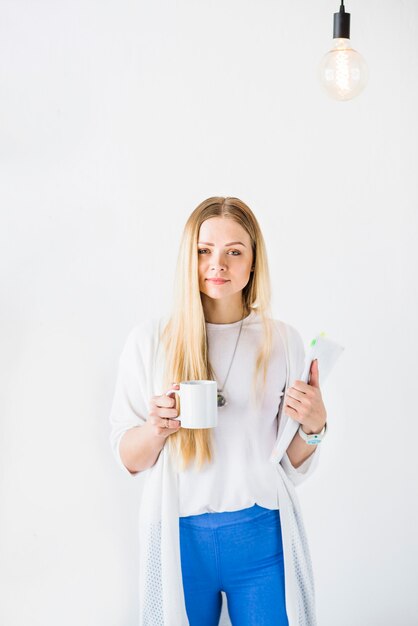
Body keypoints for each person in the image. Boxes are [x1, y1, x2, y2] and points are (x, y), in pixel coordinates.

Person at [109, 196, 328, 626]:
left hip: (262, 537)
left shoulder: (281, 340)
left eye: (234, 252)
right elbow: (127, 457)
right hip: (178, 539)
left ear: (252, 262)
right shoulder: (151, 341)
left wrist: (315, 427)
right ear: (188, 259)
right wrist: (156, 429)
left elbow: (287, 462)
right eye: (204, 251)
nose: (218, 265)